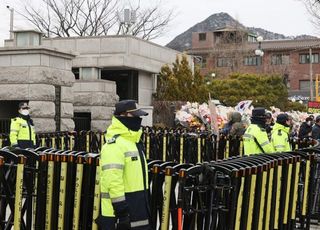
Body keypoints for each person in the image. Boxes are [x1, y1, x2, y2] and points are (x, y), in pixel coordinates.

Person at [99, 99, 151, 230]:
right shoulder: (115, 145)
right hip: (120, 215)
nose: (138, 118)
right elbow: (113, 182)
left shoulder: (133, 142)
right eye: (135, 115)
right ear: (123, 115)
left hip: (137, 211)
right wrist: (122, 213)